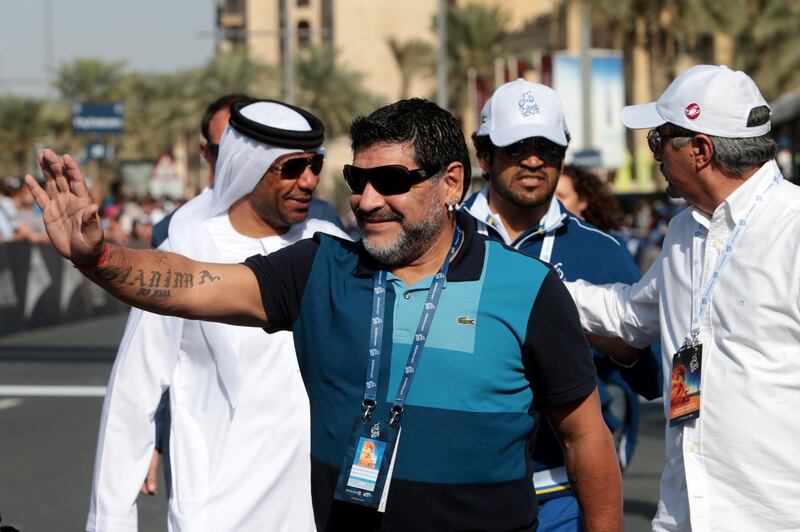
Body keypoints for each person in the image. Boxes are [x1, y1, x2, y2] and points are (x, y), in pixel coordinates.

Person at [30, 98, 623, 531]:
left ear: (450, 183)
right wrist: (98, 256)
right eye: (356, 179)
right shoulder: (320, 267)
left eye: (389, 180)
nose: (365, 199)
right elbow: (191, 286)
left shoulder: (529, 289)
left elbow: (584, 436)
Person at [86, 100, 348, 531]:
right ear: (248, 168)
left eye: (315, 165)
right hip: (217, 510)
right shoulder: (186, 251)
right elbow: (131, 398)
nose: (308, 181)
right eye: (292, 167)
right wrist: (110, 521)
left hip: (316, 509)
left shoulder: (331, 247)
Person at [565, 65, 800, 530]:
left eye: (658, 139)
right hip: (683, 511)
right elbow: (630, 315)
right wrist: (529, 283)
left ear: (699, 150)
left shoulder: (792, 230)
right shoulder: (684, 230)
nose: (653, 153)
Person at [464, 78, 659, 531]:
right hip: (458, 490)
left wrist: (599, 336)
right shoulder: (444, 238)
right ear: (485, 157)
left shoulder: (601, 252)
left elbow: (652, 376)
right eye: (517, 148)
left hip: (559, 494)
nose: (534, 161)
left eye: (548, 149)